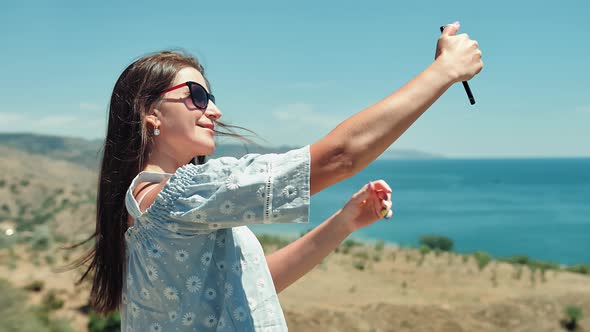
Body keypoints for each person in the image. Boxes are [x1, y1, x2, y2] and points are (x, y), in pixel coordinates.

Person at [68, 21, 482, 331]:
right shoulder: (179, 197)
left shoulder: (149, 205)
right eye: (196, 96)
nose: (214, 110)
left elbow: (253, 285)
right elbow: (341, 156)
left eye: (211, 97)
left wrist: (344, 222)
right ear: (150, 112)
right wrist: (445, 70)